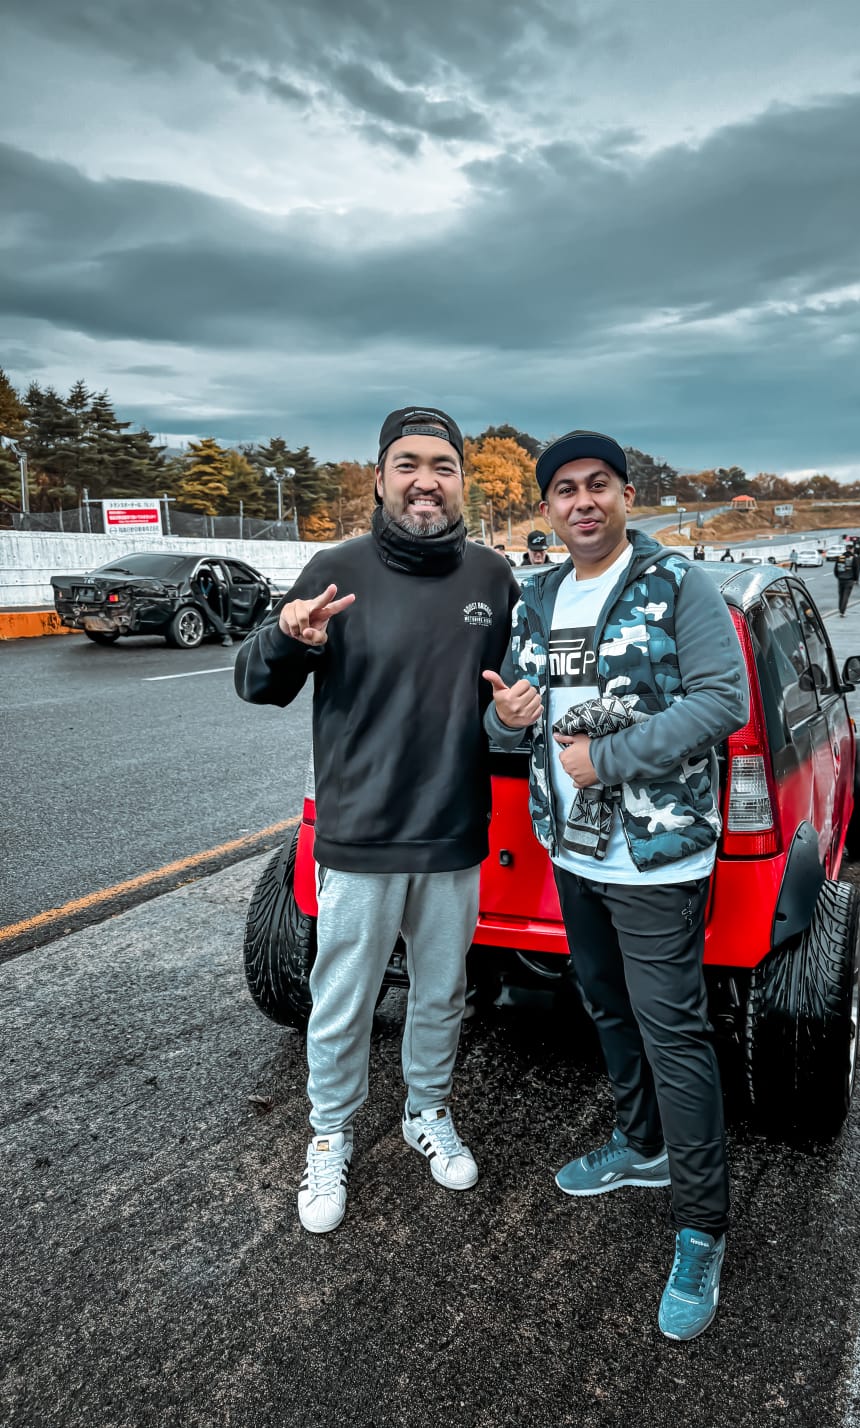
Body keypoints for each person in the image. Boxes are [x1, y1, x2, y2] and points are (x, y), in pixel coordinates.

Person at [483, 429, 749, 1343]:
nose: (582, 501)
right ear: (547, 508)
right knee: (603, 1006)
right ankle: (640, 1146)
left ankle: (702, 1227)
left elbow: (721, 701)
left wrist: (610, 759)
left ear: (626, 495)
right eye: (564, 489)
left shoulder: (677, 584)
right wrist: (504, 715)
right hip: (572, 850)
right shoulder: (538, 594)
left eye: (598, 484)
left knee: (674, 1032)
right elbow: (513, 715)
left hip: (655, 856)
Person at [235, 405, 516, 1234]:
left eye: (443, 466)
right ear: (381, 479)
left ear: (461, 481)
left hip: (453, 830)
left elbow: (506, 702)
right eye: (408, 465)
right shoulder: (335, 567)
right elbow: (257, 683)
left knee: (442, 992)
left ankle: (427, 1112)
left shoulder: (493, 579)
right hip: (359, 833)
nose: (426, 481)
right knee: (342, 998)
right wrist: (289, 638)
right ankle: (329, 1134)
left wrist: (514, 718)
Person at [193, 564, 234, 646]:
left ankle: (224, 634)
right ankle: (225, 635)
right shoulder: (198, 585)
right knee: (210, 612)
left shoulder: (200, 584)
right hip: (200, 603)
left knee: (210, 612)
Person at [833, 546, 860, 616]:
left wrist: (838, 576)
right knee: (846, 595)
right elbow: (856, 569)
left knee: (841, 595)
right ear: (851, 549)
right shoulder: (853, 558)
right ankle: (842, 611)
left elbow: (836, 569)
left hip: (841, 579)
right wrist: (855, 579)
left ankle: (840, 609)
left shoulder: (840, 557)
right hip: (849, 579)